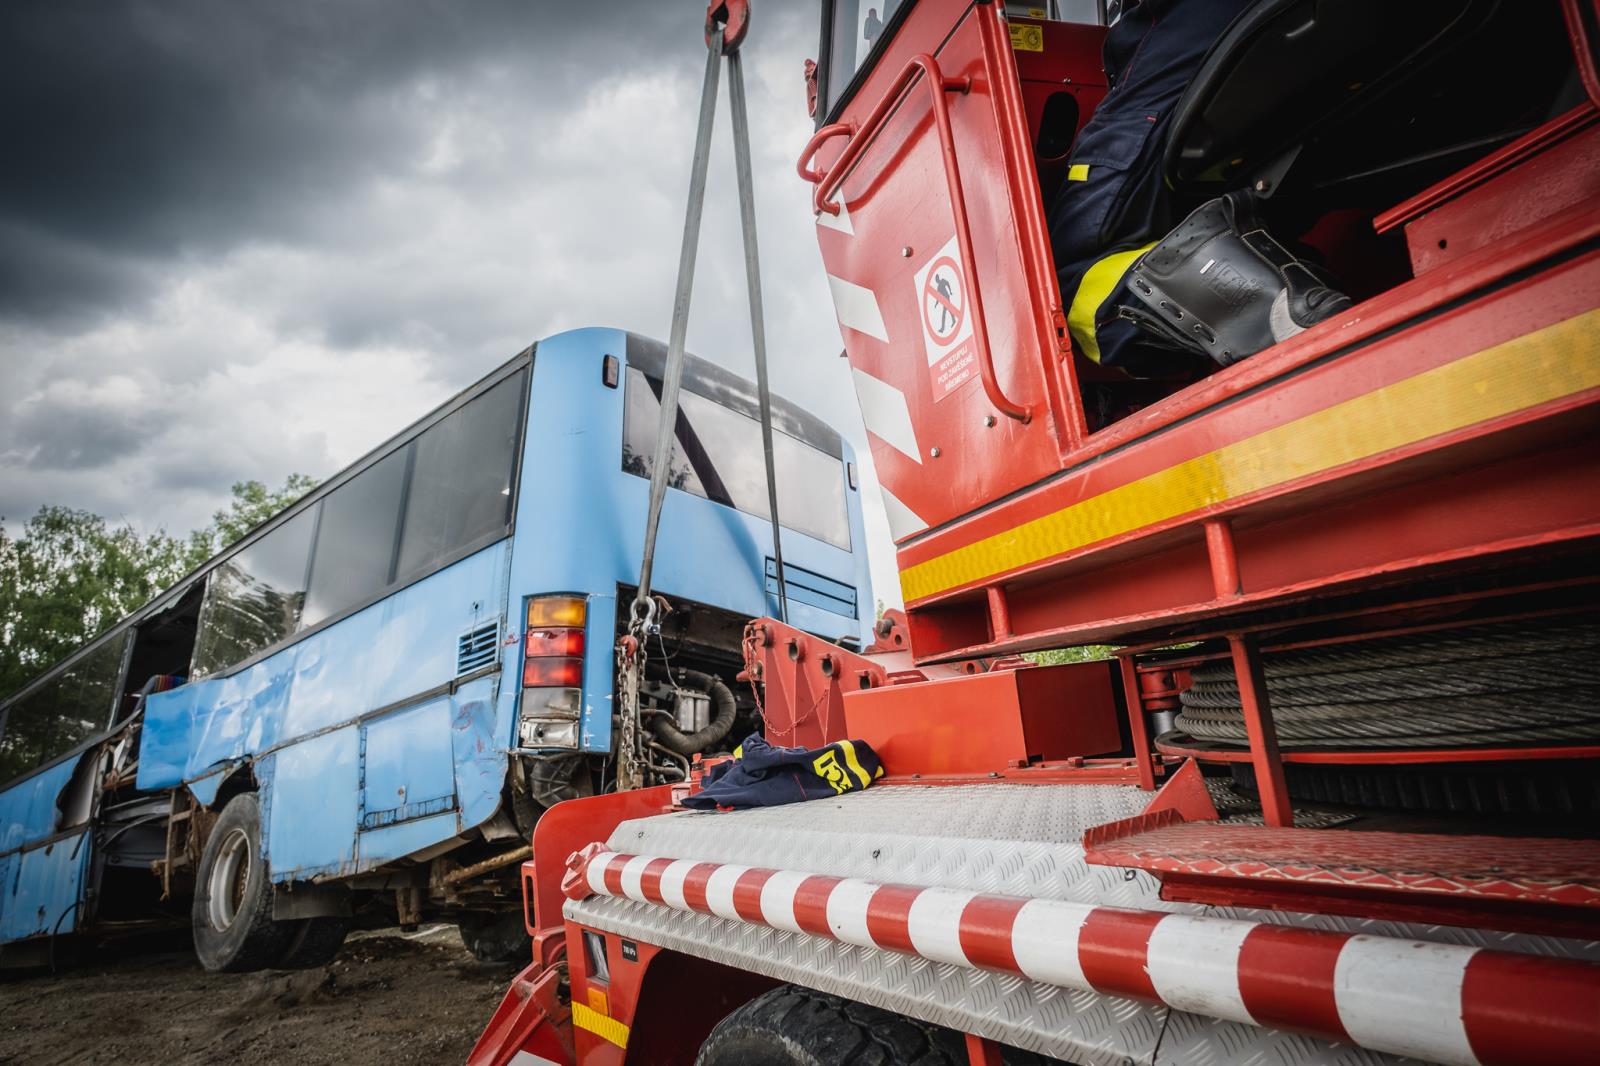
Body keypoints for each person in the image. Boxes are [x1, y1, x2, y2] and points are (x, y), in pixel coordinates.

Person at [1048, 0, 1348, 376]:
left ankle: (1274, 311)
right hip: (1307, 49)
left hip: (1192, 32)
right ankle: (1290, 284)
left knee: (1061, 284)